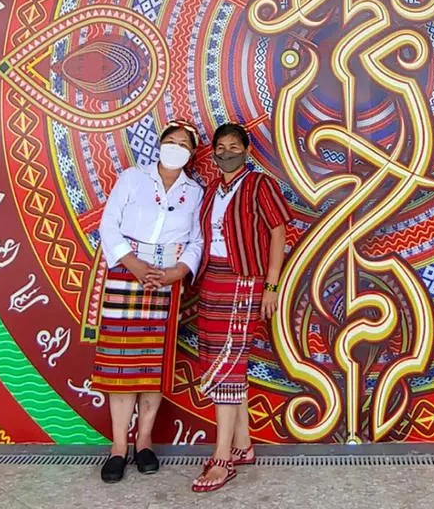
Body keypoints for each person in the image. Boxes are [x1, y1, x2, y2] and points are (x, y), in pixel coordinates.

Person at [85, 121, 204, 483]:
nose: (176, 147)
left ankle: (145, 441)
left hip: (166, 281)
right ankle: (118, 447)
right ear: (160, 144)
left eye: (184, 143)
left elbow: (197, 240)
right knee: (121, 365)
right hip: (126, 274)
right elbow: (108, 225)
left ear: (191, 153)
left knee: (153, 364)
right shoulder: (132, 178)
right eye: (171, 140)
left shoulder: (195, 192)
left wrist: (178, 271)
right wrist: (133, 264)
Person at [191, 122, 291, 492]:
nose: (226, 152)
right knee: (222, 361)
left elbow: (278, 231)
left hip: (245, 280)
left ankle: (222, 457)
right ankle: (243, 445)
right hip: (212, 281)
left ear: (247, 151)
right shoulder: (211, 190)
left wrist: (272, 285)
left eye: (234, 146)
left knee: (229, 364)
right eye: (220, 146)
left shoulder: (260, 185)